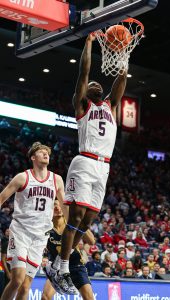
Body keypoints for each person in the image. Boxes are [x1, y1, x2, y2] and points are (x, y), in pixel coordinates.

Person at [53, 33, 127, 293]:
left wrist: (123, 57)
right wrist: (88, 44)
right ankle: (62, 268)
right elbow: (83, 74)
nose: (95, 85)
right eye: (91, 84)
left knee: (88, 222)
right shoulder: (82, 104)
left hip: (104, 167)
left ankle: (57, 263)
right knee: (76, 216)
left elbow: (120, 81)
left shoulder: (111, 106)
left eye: (98, 84)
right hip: (84, 162)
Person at [0, 142, 65, 300]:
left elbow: (65, 206)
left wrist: (71, 226)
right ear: (33, 157)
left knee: (25, 287)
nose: (46, 154)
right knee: (17, 280)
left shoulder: (56, 180)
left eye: (47, 153)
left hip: (40, 237)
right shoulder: (23, 177)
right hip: (21, 232)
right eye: (42, 152)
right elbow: (1, 198)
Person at [41, 199, 95, 300]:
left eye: (59, 205)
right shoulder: (46, 228)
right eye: (54, 205)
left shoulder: (71, 224)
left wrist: (79, 223)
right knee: (45, 297)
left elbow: (91, 241)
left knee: (89, 298)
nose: (57, 207)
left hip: (76, 265)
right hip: (57, 267)